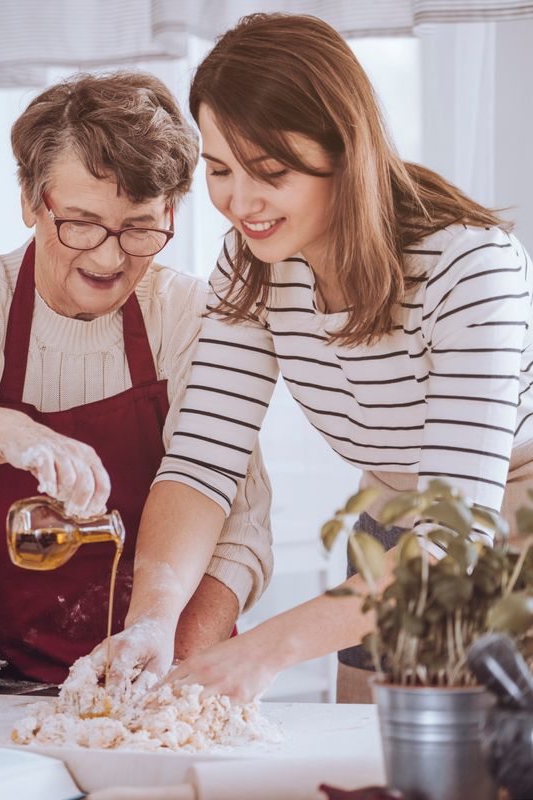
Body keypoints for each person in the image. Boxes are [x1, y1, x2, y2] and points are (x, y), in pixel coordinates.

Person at [102, 13, 533, 703]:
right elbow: (203, 462)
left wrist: (264, 649)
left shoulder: (470, 266)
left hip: (507, 529)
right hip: (395, 528)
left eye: (270, 171)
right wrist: (153, 616)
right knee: (365, 763)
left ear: (346, 150)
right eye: (218, 170)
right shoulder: (254, 266)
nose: (240, 203)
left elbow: (460, 533)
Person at [0, 72, 273, 684]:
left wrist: (165, 677)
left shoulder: (190, 316)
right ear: (30, 199)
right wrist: (8, 433)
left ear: (171, 212)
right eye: (79, 222)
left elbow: (238, 531)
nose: (107, 258)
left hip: (151, 696)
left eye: (139, 227)